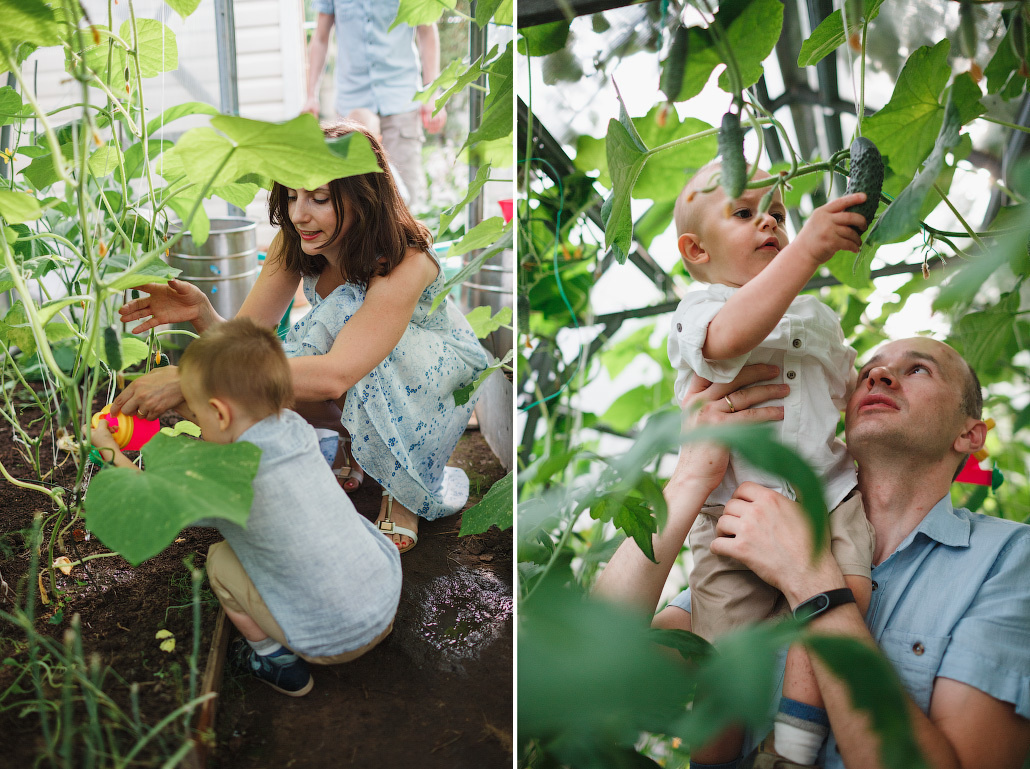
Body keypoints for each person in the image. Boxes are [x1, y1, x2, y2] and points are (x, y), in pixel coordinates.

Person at [594, 339, 1030, 769]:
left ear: (969, 434)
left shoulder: (1008, 558)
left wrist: (808, 577)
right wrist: (689, 478)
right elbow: (597, 675)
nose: (879, 376)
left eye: (918, 369)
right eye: (867, 373)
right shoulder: (764, 535)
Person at [113, 120, 490, 555]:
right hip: (363, 364)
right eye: (292, 196)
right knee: (280, 359)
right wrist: (203, 313)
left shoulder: (408, 259)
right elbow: (244, 345)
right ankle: (352, 443)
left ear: (364, 197)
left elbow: (335, 375)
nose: (298, 214)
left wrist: (194, 379)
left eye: (319, 198)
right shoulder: (295, 240)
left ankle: (403, 491)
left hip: (437, 383)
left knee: (336, 320)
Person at [665, 161, 873, 765]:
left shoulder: (818, 316)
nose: (770, 224)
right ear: (696, 250)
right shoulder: (700, 309)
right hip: (733, 517)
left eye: (778, 215)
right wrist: (807, 251)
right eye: (744, 212)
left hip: (828, 497)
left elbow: (848, 391)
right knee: (724, 659)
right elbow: (728, 339)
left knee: (843, 599)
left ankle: (793, 746)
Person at [92, 318, 402, 697]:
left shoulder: (223, 477)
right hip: (386, 599)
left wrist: (108, 447)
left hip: (329, 640)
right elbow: (233, 421)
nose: (192, 417)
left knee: (220, 561)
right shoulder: (294, 425)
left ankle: (277, 662)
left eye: (196, 411)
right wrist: (197, 406)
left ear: (220, 414)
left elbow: (149, 499)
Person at [301, 0, 447, 209]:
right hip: (352, 104)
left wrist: (431, 93)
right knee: (354, 197)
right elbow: (320, 37)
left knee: (405, 199)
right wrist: (311, 95)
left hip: (401, 98)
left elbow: (426, 29)